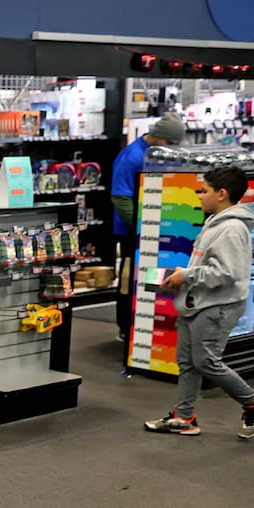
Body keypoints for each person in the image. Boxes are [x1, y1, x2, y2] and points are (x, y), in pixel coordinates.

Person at [144, 164, 254, 438]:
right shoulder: (214, 222)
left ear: (222, 193)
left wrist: (186, 275)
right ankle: (184, 417)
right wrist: (181, 278)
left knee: (205, 361)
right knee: (188, 362)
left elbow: (228, 273)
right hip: (198, 302)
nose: (199, 195)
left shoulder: (231, 229)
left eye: (203, 190)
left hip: (217, 307)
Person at [113, 113, 186, 341]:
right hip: (132, 233)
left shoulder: (160, 155)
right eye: (170, 143)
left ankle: (150, 326)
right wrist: (141, 226)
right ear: (158, 136)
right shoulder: (132, 157)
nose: (172, 147)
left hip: (156, 231)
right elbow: (120, 197)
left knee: (151, 280)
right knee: (129, 281)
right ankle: (126, 330)